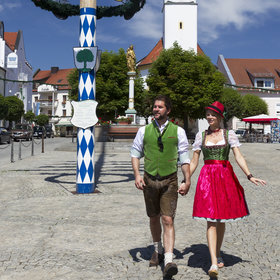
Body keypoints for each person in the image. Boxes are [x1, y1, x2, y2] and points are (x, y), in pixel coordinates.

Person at [190, 101, 266, 278]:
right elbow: (194, 160)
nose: (209, 116)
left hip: (224, 177)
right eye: (208, 113)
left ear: (220, 117)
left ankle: (217, 252)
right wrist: (186, 179)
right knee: (210, 219)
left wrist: (249, 175)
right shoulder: (201, 136)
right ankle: (214, 264)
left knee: (221, 219)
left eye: (213, 114)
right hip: (207, 178)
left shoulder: (229, 134)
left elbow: (238, 156)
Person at [131, 95, 191, 278]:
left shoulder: (178, 131)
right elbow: (135, 153)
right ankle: (156, 250)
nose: (156, 109)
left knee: (168, 219)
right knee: (153, 217)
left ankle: (169, 258)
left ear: (168, 110)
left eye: (160, 107)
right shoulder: (144, 130)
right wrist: (137, 175)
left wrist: (186, 180)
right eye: (155, 107)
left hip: (170, 180)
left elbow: (184, 157)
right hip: (149, 179)